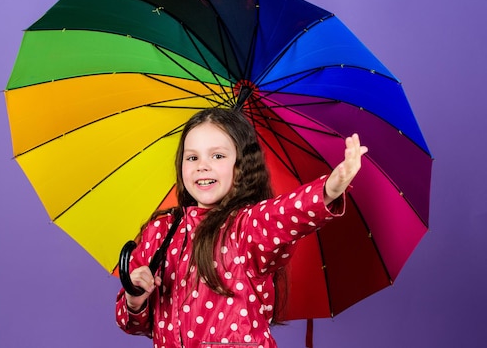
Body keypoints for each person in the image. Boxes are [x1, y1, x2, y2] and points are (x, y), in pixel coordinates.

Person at [115, 107, 368, 348]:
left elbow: (286, 213)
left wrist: (328, 190)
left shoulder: (247, 226)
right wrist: (134, 300)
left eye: (218, 156)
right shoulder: (160, 233)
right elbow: (134, 324)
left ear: (241, 166)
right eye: (192, 157)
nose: (202, 165)